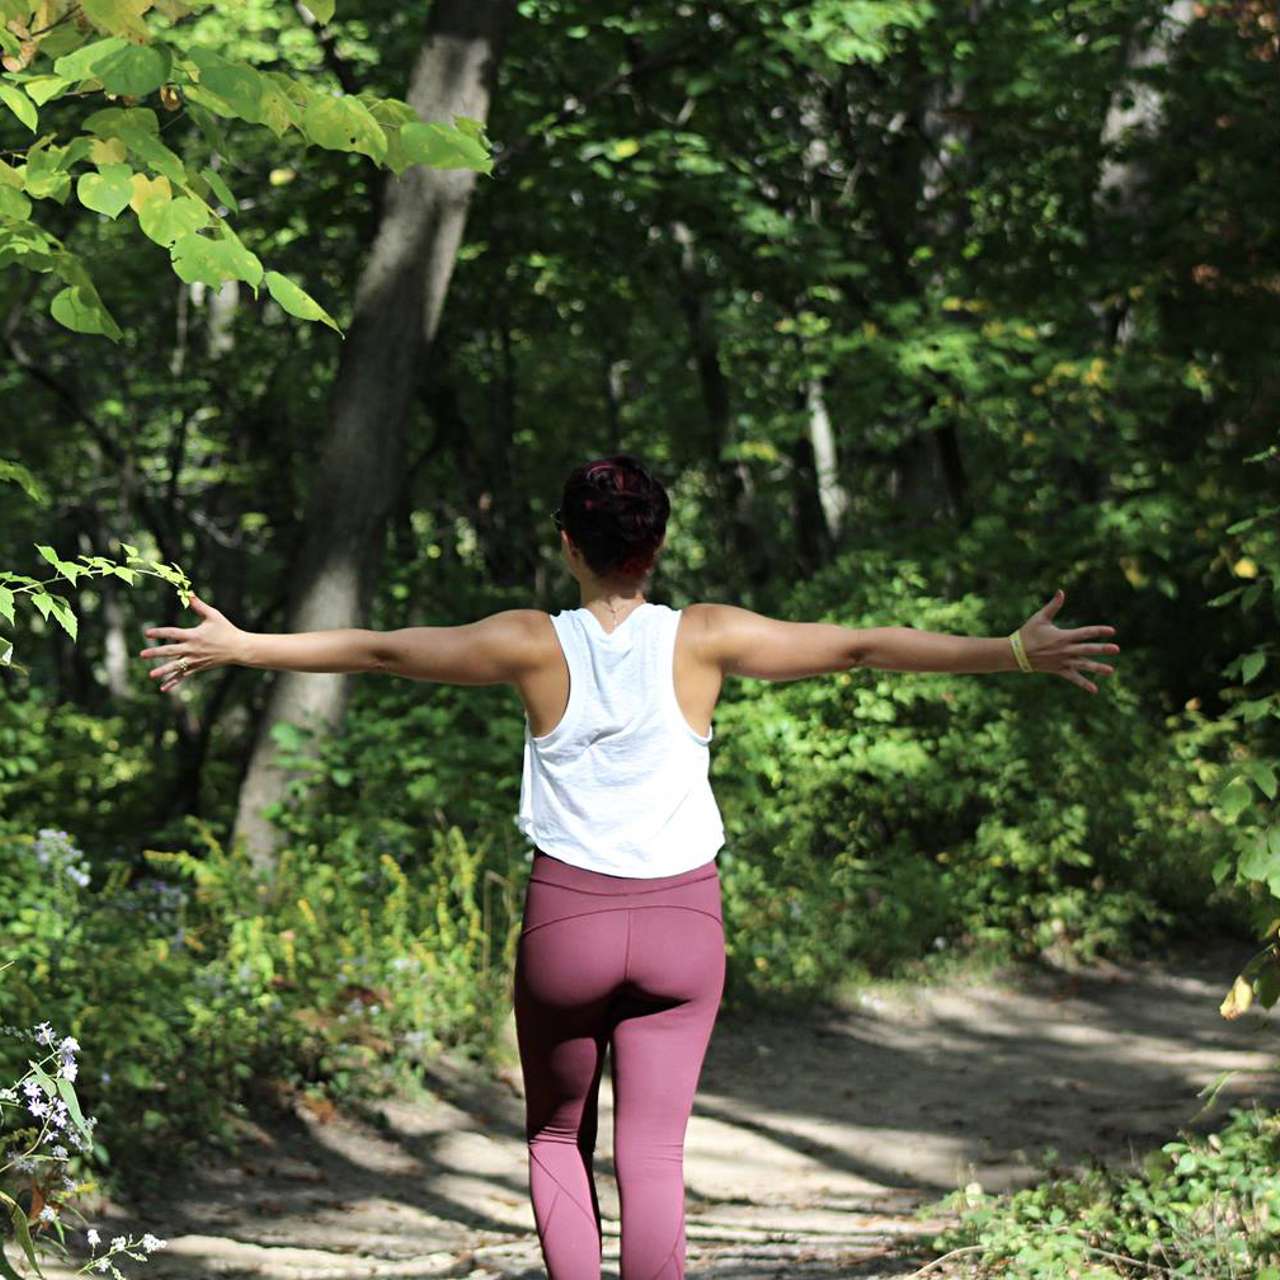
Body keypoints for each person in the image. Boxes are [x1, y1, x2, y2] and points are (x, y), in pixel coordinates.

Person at [138, 452, 1120, 1279]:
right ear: (655, 545)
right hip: (681, 926)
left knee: (555, 1136)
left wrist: (243, 645)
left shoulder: (529, 641)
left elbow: (386, 651)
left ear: (568, 542)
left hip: (567, 924)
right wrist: (1009, 650)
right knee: (651, 1151)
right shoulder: (705, 636)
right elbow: (860, 646)